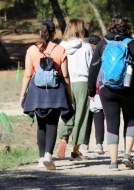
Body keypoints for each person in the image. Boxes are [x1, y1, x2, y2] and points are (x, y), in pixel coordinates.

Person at [87, 15, 134, 171]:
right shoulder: (131, 44)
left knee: (111, 122)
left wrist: (91, 89)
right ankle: (127, 154)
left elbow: (94, 68)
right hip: (129, 88)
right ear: (127, 27)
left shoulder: (103, 43)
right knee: (130, 119)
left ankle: (113, 162)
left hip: (107, 89)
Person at [20, 20, 72, 170]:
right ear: (54, 33)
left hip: (37, 92)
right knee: (52, 123)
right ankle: (49, 154)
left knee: (41, 124)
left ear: (40, 32)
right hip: (55, 92)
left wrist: (23, 95)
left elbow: (28, 74)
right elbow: (66, 74)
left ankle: (41, 157)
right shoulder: (60, 50)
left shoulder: (31, 50)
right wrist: (69, 95)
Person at [57, 19, 93, 161]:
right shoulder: (86, 46)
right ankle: (75, 150)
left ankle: (63, 138)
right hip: (82, 83)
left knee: (68, 112)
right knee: (81, 117)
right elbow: (91, 67)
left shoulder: (62, 46)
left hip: (66, 82)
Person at [82, 35, 105, 154]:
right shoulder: (102, 55)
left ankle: (85, 144)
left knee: (87, 118)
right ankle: (99, 144)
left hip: (86, 87)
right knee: (98, 116)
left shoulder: (84, 53)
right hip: (98, 89)